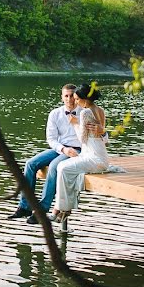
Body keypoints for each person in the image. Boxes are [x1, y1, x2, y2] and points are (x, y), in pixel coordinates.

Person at [8, 83, 83, 224]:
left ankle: (42, 209)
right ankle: (25, 206)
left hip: (76, 150)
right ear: (62, 97)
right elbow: (51, 139)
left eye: (72, 95)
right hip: (60, 148)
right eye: (66, 96)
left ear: (76, 96)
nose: (69, 99)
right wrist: (62, 149)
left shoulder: (83, 112)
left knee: (54, 166)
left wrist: (70, 151)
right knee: (30, 164)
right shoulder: (55, 114)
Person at [52, 84, 110, 222]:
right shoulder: (100, 110)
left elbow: (82, 139)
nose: (75, 102)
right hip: (101, 157)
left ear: (84, 99)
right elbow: (101, 136)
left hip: (93, 158)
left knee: (63, 167)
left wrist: (74, 123)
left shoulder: (84, 112)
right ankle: (62, 208)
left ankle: (62, 208)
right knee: (65, 168)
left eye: (77, 99)